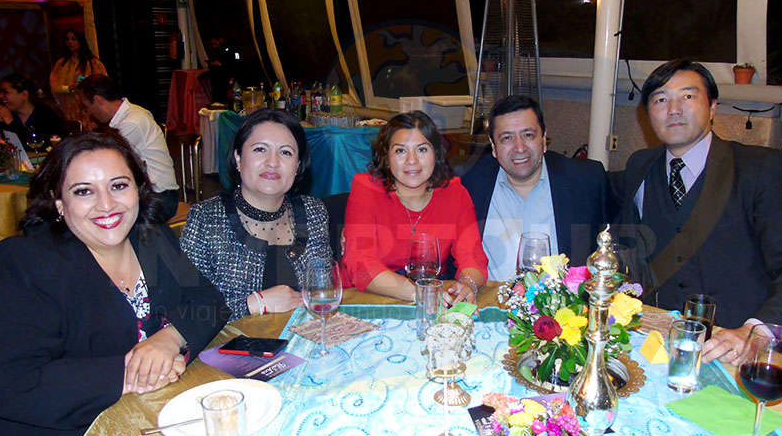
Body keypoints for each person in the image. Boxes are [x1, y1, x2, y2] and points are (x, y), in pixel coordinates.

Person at [0, 128, 229, 436]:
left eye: (119, 186)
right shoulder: (20, 264)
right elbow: (6, 385)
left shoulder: (151, 241)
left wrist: (168, 339)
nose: (106, 205)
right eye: (83, 191)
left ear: (139, 189)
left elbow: (209, 300)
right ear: (58, 203)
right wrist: (126, 372)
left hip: (125, 431)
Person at [618, 59, 782, 366]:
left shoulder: (760, 169)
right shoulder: (640, 166)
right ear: (647, 115)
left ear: (713, 107)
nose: (673, 109)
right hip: (661, 350)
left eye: (688, 96)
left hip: (744, 352)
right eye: (660, 100)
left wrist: (755, 330)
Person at [180, 110, 331, 321]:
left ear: (297, 166)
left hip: (303, 340)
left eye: (286, 152)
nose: (272, 162)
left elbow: (323, 292)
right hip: (231, 347)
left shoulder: (313, 212)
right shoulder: (206, 219)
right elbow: (187, 313)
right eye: (260, 149)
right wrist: (256, 303)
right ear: (238, 158)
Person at [458, 95, 613, 281]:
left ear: (544, 138)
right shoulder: (470, 183)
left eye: (528, 135)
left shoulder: (586, 181)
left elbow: (612, 249)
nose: (519, 147)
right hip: (490, 304)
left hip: (564, 307)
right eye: (507, 138)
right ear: (493, 146)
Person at [342, 111, 488, 304]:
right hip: (371, 297)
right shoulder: (366, 189)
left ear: (436, 154)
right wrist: (417, 293)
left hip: (434, 297)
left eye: (422, 149)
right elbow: (360, 263)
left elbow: (472, 255)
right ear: (386, 157)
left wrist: (468, 285)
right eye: (400, 151)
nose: (412, 160)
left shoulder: (455, 192)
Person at [77, 75, 180, 222]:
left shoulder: (132, 122)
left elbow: (109, 164)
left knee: (97, 216)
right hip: (151, 194)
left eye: (87, 107)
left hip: (159, 198)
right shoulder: (129, 115)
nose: (88, 113)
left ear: (98, 100)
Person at [0, 73, 68, 145]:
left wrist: (11, 122)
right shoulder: (11, 115)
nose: (0, 96)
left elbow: (35, 144)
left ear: (24, 94)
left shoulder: (45, 114)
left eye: (5, 92)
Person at [49, 28, 107, 124]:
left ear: (80, 41)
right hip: (69, 110)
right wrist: (69, 88)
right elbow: (54, 86)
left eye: (74, 39)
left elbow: (103, 85)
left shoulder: (93, 63)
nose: (70, 42)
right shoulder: (61, 64)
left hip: (89, 111)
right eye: (67, 39)